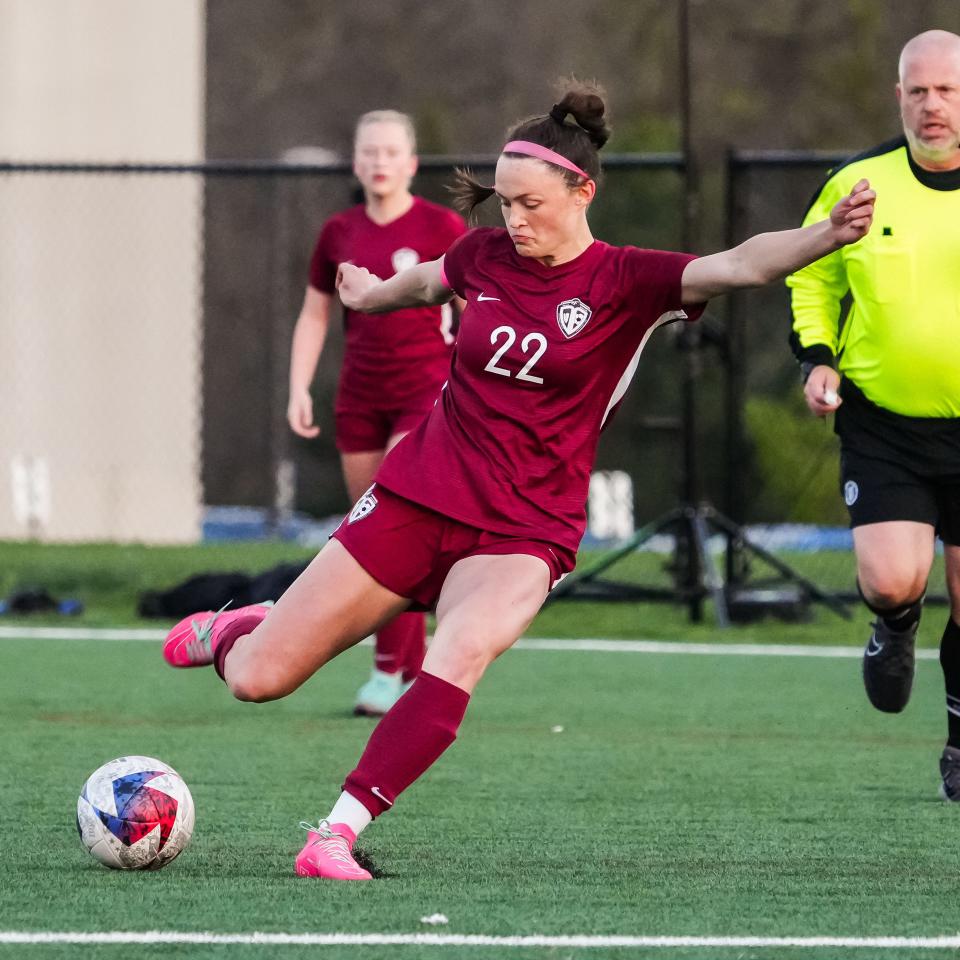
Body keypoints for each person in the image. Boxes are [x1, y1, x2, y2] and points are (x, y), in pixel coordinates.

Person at [163, 83, 874, 880]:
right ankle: (239, 629)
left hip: (524, 528)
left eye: (530, 203)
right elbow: (429, 280)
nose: (514, 220)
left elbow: (741, 264)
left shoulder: (629, 280)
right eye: (503, 203)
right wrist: (366, 294)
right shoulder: (486, 255)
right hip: (418, 493)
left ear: (582, 192)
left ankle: (334, 833)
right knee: (260, 680)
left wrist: (826, 235)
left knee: (459, 652)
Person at [786, 30, 960, 798]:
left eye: (949, 90)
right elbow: (811, 274)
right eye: (919, 91)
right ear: (899, 96)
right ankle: (894, 628)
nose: (934, 106)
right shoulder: (858, 182)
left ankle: (959, 744)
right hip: (885, 421)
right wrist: (817, 356)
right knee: (894, 580)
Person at [286, 110, 467, 715]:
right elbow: (316, 314)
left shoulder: (441, 225)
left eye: (391, 151)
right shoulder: (338, 231)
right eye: (369, 152)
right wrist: (299, 386)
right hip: (360, 397)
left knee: (395, 510)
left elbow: (476, 306)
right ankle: (406, 667)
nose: (380, 161)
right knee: (373, 531)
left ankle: (389, 674)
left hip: (426, 393)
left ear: (411, 163)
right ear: (356, 162)